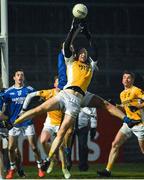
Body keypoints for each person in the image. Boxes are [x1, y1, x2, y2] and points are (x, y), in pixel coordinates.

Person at [14, 18, 98, 171]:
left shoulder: (77, 61)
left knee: (68, 130)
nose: (73, 48)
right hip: (64, 91)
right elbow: (67, 45)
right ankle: (54, 158)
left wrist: (78, 30)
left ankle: (65, 155)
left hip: (73, 91)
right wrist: (74, 30)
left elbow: (74, 49)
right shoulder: (66, 57)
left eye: (74, 47)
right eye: (70, 46)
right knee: (47, 124)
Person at [21, 76, 71, 179]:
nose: (60, 84)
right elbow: (32, 95)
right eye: (58, 82)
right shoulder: (49, 92)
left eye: (62, 82)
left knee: (61, 147)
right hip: (50, 123)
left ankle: (64, 168)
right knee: (42, 141)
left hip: (61, 124)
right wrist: (25, 108)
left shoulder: (67, 94)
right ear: (54, 84)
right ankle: (52, 159)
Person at [97, 70, 144, 177]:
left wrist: (138, 107)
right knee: (115, 144)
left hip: (140, 124)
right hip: (128, 123)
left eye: (128, 78)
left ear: (132, 80)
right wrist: (116, 105)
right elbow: (125, 107)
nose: (126, 79)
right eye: (124, 77)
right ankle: (107, 170)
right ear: (122, 80)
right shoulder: (122, 94)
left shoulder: (136, 90)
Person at [0, 70, 45, 179]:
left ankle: (40, 166)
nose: (20, 77)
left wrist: (42, 99)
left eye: (22, 75)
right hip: (14, 123)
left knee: (33, 147)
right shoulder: (8, 92)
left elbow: (39, 98)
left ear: (23, 78)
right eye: (18, 75)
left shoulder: (29, 90)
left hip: (27, 122)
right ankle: (12, 168)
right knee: (11, 148)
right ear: (14, 78)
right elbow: (2, 108)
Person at [75, 107, 97, 171]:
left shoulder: (89, 98)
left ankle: (83, 166)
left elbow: (93, 112)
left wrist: (93, 127)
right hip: (70, 125)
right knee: (68, 146)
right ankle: (67, 165)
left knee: (83, 146)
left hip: (83, 125)